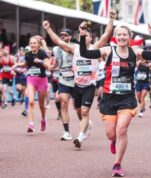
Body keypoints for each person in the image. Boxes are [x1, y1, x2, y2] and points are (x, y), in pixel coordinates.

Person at [79, 22, 151, 177]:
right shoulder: (108, 50)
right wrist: (83, 36)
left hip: (127, 98)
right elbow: (85, 54)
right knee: (111, 134)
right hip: (109, 98)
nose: (122, 37)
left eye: (124, 34)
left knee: (122, 129)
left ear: (129, 37)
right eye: (119, 35)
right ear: (115, 37)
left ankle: (117, 164)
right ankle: (113, 141)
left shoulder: (135, 52)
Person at [43, 10, 115, 143]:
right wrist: (48, 29)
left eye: (86, 35)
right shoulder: (74, 49)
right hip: (77, 85)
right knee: (78, 110)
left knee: (85, 111)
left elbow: (106, 34)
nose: (84, 37)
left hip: (90, 85)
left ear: (91, 38)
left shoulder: (96, 48)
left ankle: (80, 137)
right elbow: (58, 41)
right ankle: (86, 125)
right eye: (82, 34)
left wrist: (111, 19)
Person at [12, 36, 50, 132]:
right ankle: (31, 124)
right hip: (31, 79)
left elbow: (48, 66)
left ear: (38, 44)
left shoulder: (42, 53)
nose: (33, 45)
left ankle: (43, 119)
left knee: (41, 104)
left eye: (35, 43)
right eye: (31, 43)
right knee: (31, 101)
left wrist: (40, 61)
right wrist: (17, 65)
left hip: (42, 80)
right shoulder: (28, 54)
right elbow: (25, 64)